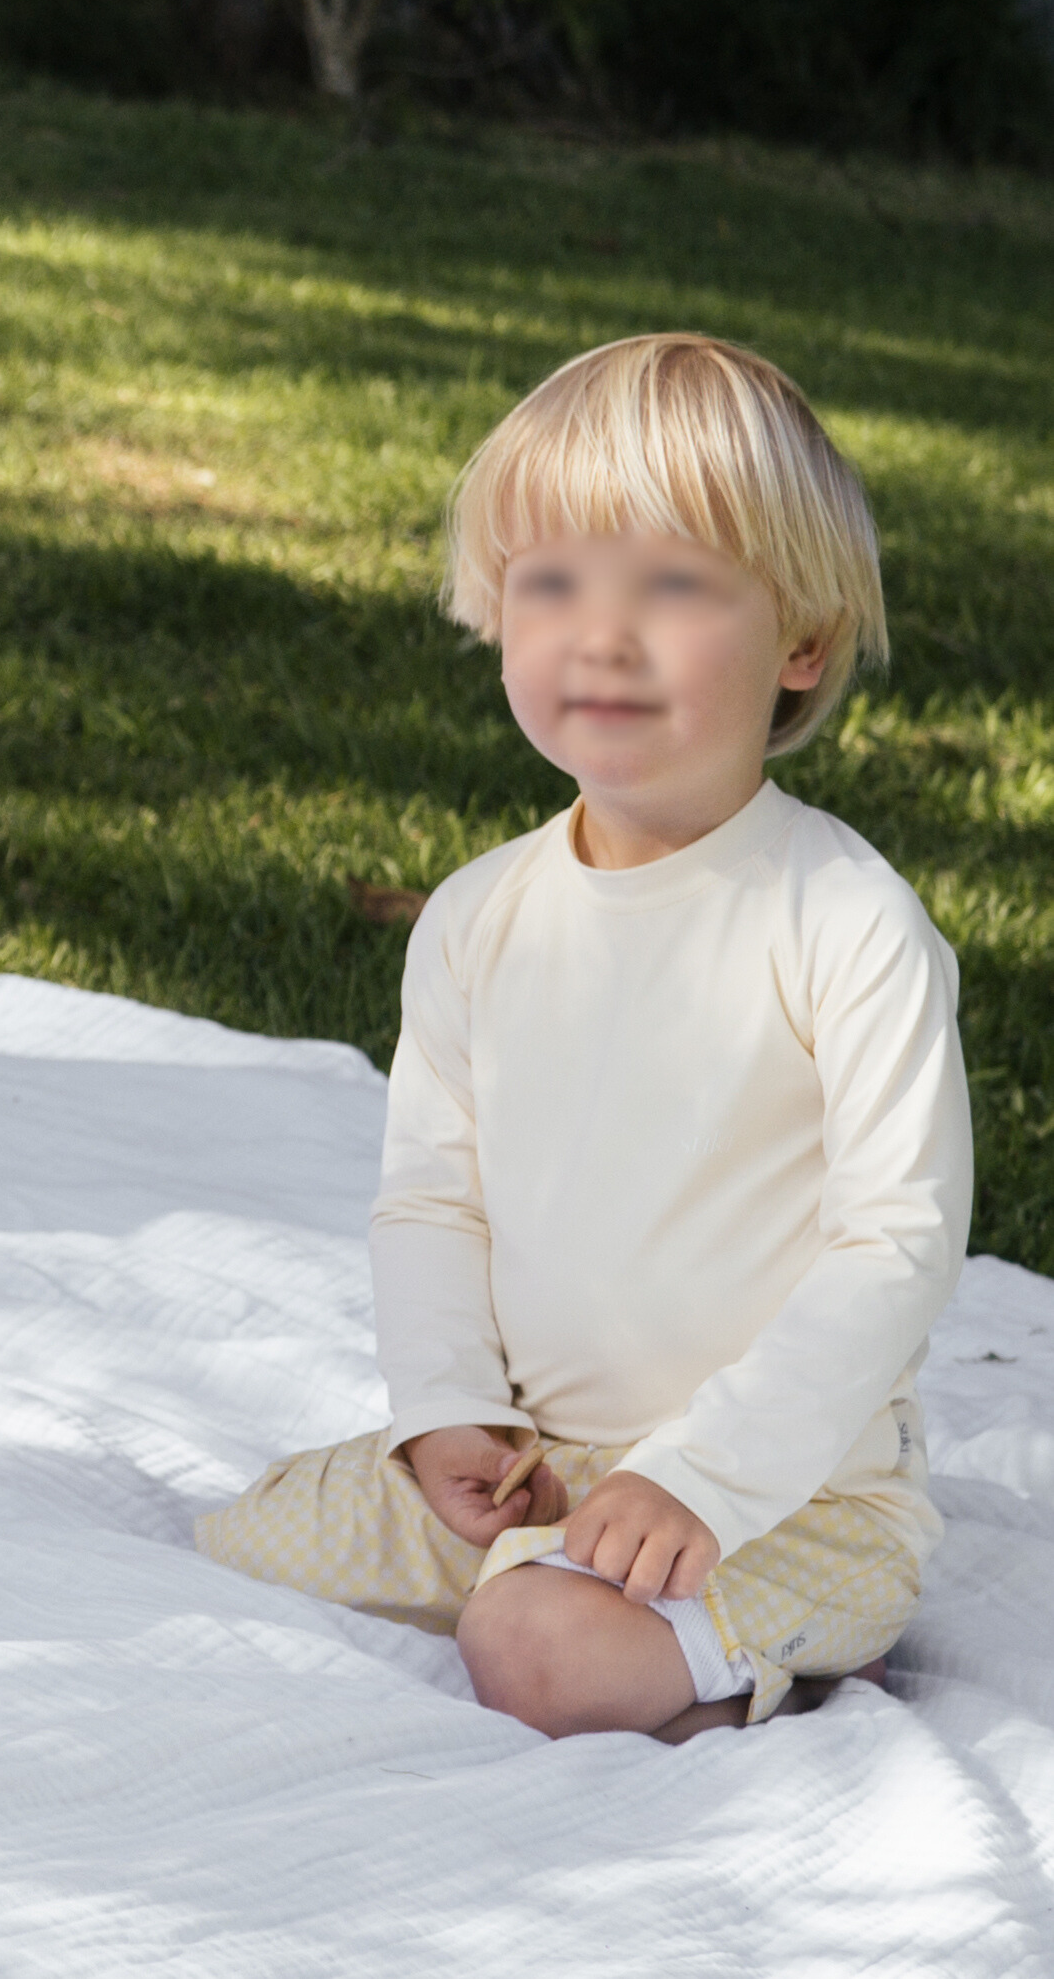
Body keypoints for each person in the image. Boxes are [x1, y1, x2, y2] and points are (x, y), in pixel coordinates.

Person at [200, 333, 968, 1740]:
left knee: (533, 1644)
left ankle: (756, 1641)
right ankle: (552, 1573)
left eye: (670, 583)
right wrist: (442, 1414)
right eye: (549, 581)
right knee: (242, 1540)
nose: (597, 635)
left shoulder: (839, 917)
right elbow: (433, 1195)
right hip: (540, 1459)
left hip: (780, 1487)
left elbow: (895, 1241)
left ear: (799, 639)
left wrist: (701, 1481)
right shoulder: (480, 915)